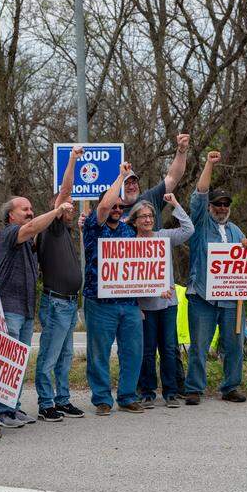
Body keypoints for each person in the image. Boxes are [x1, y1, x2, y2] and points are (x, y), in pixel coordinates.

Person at [0, 194, 74, 428]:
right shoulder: (10, 233)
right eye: (25, 209)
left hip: (26, 309)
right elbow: (32, 226)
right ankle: (2, 410)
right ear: (11, 215)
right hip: (10, 308)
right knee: (7, 361)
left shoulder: (28, 240)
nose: (30, 212)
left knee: (18, 362)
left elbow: (37, 226)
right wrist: (56, 211)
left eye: (31, 208)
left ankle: (13, 407)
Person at [184, 150, 247, 405]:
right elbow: (200, 194)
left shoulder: (235, 230)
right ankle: (194, 388)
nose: (222, 208)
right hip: (202, 296)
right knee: (199, 346)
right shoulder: (200, 224)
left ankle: (231, 386)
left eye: (226, 204)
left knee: (234, 346)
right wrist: (209, 165)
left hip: (232, 300)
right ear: (210, 207)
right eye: (217, 204)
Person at [82, 162, 144, 415]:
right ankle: (102, 398)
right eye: (113, 206)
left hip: (128, 303)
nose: (116, 210)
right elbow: (105, 206)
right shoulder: (93, 226)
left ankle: (127, 395)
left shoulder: (130, 230)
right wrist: (120, 176)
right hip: (100, 302)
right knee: (99, 352)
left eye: (120, 207)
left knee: (132, 351)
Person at [126, 193, 194, 408]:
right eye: (142, 216)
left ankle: (171, 393)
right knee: (146, 351)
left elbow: (188, 230)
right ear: (134, 220)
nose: (147, 220)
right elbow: (126, 277)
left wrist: (174, 204)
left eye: (150, 216)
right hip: (144, 306)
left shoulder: (163, 237)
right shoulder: (128, 243)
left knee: (168, 348)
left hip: (167, 305)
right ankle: (147, 392)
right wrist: (135, 304)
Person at [34, 145, 86, 422]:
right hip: (55, 303)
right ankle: (45, 403)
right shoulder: (51, 226)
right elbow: (65, 192)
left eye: (72, 205)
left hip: (68, 303)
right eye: (66, 205)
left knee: (65, 357)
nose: (71, 206)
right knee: (50, 356)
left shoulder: (65, 232)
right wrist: (72, 160)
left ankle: (62, 400)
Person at [121, 133, 191, 214]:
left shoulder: (151, 198)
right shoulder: (113, 211)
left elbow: (173, 178)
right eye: (126, 183)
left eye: (134, 182)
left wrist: (182, 150)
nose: (131, 187)